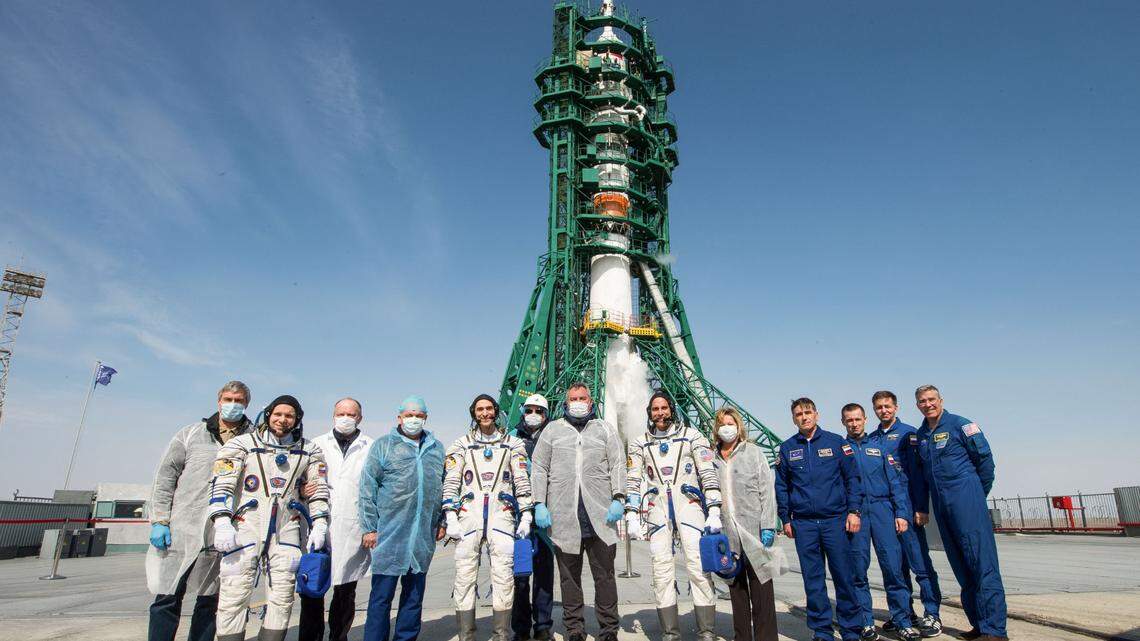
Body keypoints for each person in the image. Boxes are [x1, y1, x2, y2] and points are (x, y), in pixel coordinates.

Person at [208, 395, 331, 641]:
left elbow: (319, 490)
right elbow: (222, 485)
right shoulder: (242, 444)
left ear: (296, 420)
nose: (282, 420)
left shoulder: (309, 450)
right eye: (278, 414)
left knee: (282, 598)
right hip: (246, 528)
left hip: (286, 531)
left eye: (289, 416)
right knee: (233, 595)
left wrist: (320, 523)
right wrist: (221, 521)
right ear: (268, 415)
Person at [146, 381, 253, 641]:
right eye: (228, 399)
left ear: (246, 404)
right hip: (183, 526)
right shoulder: (191, 434)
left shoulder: (253, 439)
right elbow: (165, 477)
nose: (232, 404)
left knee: (210, 600)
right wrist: (160, 519)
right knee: (167, 596)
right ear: (218, 401)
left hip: (225, 531)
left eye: (238, 400)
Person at [530, 382, 626, 641]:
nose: (578, 402)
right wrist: (539, 502)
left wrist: (619, 497)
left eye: (583, 397)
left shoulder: (604, 429)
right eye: (574, 398)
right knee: (569, 580)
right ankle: (575, 629)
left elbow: (617, 464)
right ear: (565, 401)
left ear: (591, 402)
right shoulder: (552, 430)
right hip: (563, 518)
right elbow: (539, 467)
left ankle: (608, 630)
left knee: (604, 577)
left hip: (601, 517)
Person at [624, 390, 723, 641]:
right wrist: (632, 514)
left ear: (672, 409)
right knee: (661, 569)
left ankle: (706, 630)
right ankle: (670, 631)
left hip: (689, 505)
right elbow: (633, 480)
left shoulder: (692, 437)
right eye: (655, 409)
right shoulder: (640, 443)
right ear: (650, 413)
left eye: (664, 408)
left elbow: (708, 472)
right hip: (658, 509)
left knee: (698, 566)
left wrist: (713, 510)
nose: (660, 413)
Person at [911, 386, 1007, 641]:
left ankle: (995, 631)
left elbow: (985, 462)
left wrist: (974, 493)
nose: (927, 404)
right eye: (922, 401)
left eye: (931, 399)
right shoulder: (921, 435)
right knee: (962, 566)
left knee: (982, 565)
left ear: (940, 400)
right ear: (917, 405)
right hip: (942, 507)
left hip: (967, 501)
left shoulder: (961, 425)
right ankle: (978, 624)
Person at [442, 394, 535, 641]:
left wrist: (526, 514)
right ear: (474, 412)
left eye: (489, 409)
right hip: (468, 516)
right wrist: (450, 515)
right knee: (464, 576)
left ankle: (501, 634)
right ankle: (466, 635)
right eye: (480, 409)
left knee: (504, 577)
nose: (485, 413)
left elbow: (522, 482)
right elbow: (451, 482)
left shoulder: (513, 445)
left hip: (501, 516)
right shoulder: (461, 445)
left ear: (496, 411)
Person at [774, 397, 864, 641]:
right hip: (804, 524)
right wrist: (785, 518)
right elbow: (781, 486)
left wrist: (854, 511)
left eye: (807, 412)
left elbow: (852, 479)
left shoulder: (836, 443)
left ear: (817, 414)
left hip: (835, 520)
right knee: (813, 581)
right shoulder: (787, 448)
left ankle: (851, 630)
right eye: (798, 414)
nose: (804, 417)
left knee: (844, 577)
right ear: (793, 419)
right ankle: (822, 630)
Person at [358, 395, 446, 641]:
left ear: (426, 418)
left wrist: (442, 522)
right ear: (399, 418)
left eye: (419, 416)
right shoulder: (384, 445)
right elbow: (368, 487)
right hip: (390, 535)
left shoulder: (436, 448)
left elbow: (444, 488)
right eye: (409, 415)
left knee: (413, 598)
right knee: (381, 599)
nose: (414, 420)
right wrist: (369, 528)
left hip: (422, 537)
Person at [842, 404, 922, 641]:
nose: (854, 423)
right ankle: (865, 622)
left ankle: (902, 620)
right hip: (856, 514)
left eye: (857, 419)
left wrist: (900, 513)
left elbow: (895, 482)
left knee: (893, 568)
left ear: (865, 419)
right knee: (858, 570)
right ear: (843, 422)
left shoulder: (878, 448)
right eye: (849, 420)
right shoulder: (840, 450)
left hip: (883, 510)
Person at [299, 398, 375, 641]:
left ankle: (338, 636)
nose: (346, 418)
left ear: (359, 418)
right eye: (341, 413)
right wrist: (301, 490)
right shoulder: (316, 445)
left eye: (351, 414)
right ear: (333, 415)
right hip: (317, 525)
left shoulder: (371, 447)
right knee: (312, 589)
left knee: (345, 591)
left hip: (353, 526)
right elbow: (298, 479)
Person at [869, 391, 942, 637]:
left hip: (909, 509)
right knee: (894, 568)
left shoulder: (910, 435)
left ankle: (932, 614)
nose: (884, 410)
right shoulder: (872, 440)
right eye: (879, 407)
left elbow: (918, 474)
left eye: (887, 406)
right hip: (885, 511)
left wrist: (921, 507)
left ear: (896, 407)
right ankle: (903, 613)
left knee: (919, 565)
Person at [712, 406, 781, 641]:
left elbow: (766, 490)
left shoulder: (752, 452)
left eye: (730, 423)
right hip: (727, 533)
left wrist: (768, 525)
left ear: (738, 426)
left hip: (754, 530)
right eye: (722, 423)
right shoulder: (712, 457)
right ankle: (742, 637)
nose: (726, 428)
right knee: (736, 589)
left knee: (762, 590)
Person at [509, 394, 556, 641]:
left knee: (544, 573)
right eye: (530, 410)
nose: (534, 414)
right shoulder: (512, 439)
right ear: (523, 411)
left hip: (546, 515)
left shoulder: (554, 438)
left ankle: (543, 625)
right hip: (519, 516)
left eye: (539, 410)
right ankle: (520, 627)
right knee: (520, 574)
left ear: (546, 414)